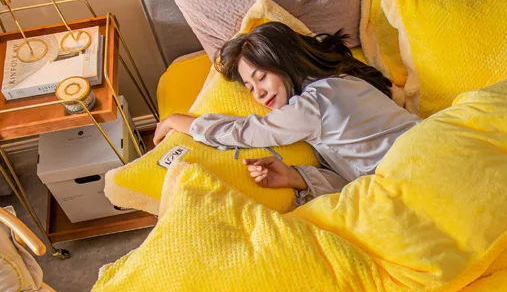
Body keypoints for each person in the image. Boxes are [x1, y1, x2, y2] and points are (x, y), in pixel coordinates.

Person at [153, 23, 418, 204]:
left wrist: (176, 120)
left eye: (261, 77)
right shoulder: (346, 82)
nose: (258, 93)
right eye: (250, 87)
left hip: (417, 167)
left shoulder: (313, 105)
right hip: (422, 148)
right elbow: (357, 173)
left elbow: (245, 133)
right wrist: (295, 178)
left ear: (284, 62)